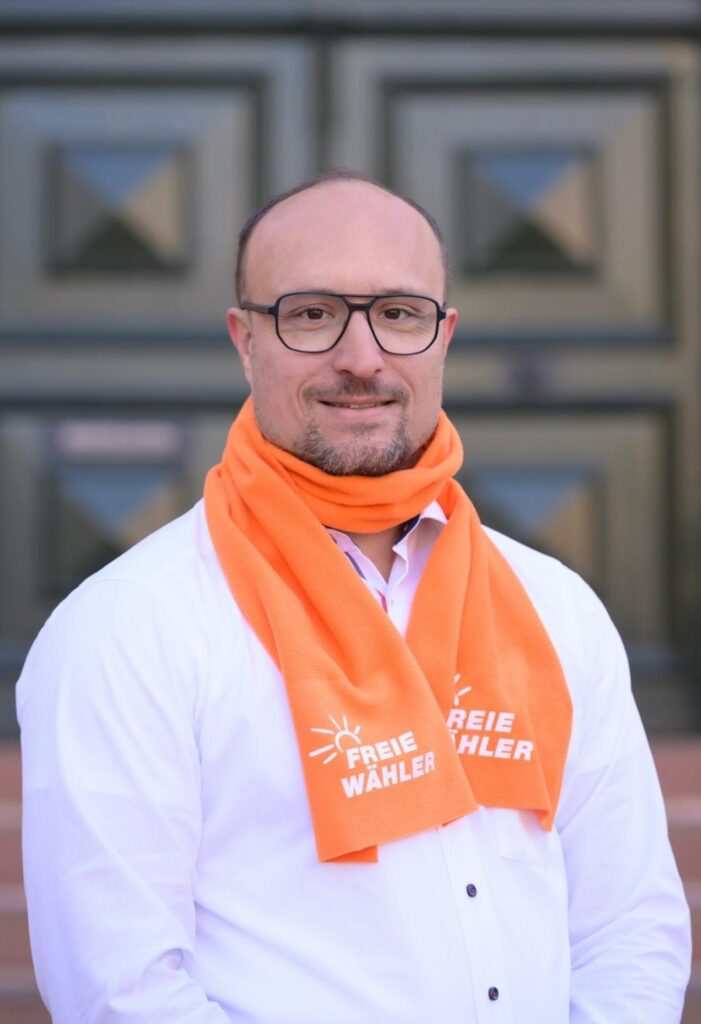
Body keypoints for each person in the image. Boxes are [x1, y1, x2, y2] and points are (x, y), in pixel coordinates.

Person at [17, 170, 690, 1024]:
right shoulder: (128, 627)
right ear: (244, 340)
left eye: (399, 314)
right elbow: (121, 990)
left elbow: (628, 927)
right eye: (311, 314)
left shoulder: (554, 606)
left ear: (443, 336)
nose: (362, 358)